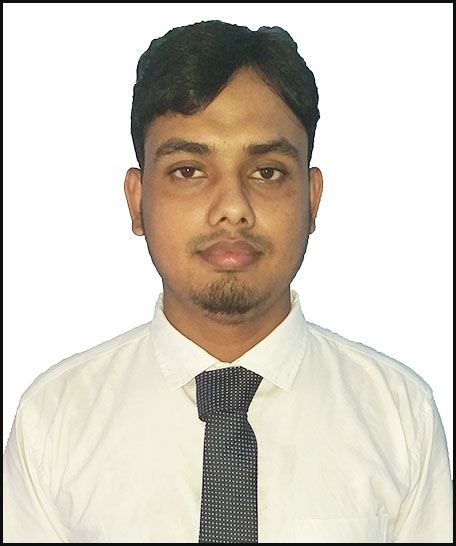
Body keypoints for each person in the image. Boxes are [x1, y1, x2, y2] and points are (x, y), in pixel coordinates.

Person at [3, 20, 452, 544]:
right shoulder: (55, 422)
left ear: (312, 199)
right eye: (189, 171)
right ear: (137, 200)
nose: (233, 208)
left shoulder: (400, 418)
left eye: (267, 172)